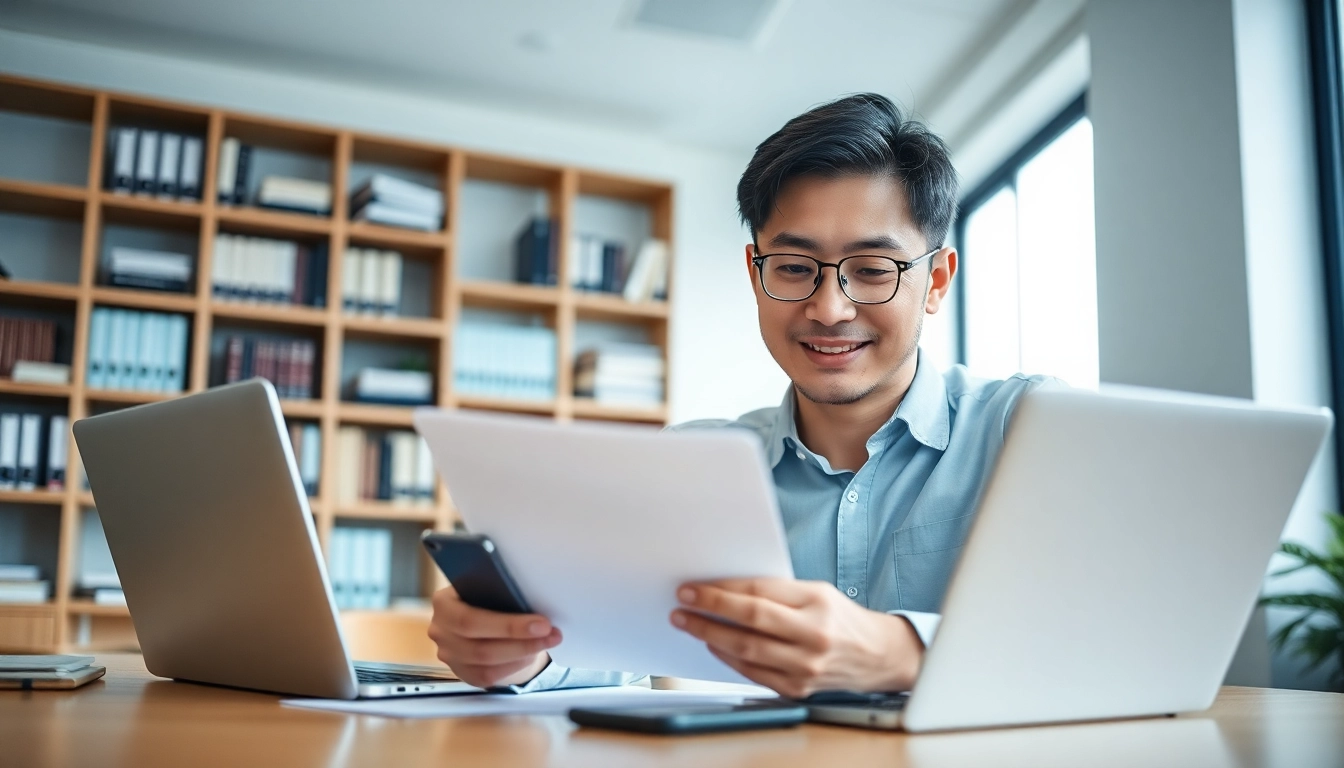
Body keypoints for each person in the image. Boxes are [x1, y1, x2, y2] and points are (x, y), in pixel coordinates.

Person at [427, 93, 1050, 697]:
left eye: (872, 270)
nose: (829, 309)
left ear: (936, 281)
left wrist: (900, 650)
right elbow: (606, 646)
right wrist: (518, 651)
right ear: (756, 275)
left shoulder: (1031, 433)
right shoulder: (684, 463)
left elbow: (1116, 635)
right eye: (794, 267)